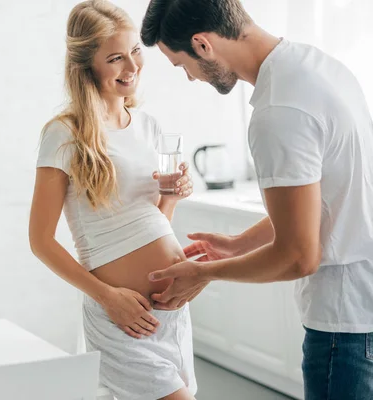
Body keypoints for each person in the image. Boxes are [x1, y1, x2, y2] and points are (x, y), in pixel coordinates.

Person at [140, 1, 373, 398]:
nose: (192, 79)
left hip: (344, 326)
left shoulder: (277, 111)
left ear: (202, 45)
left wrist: (204, 274)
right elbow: (329, 197)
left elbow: (300, 255)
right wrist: (237, 244)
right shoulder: (317, 66)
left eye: (182, 66)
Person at [28, 1, 198, 399]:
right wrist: (107, 297)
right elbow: (41, 241)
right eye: (116, 58)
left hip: (171, 315)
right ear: (87, 65)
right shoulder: (64, 134)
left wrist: (171, 196)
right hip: (120, 316)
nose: (132, 66)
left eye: (136, 51)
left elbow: (154, 222)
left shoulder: (149, 127)